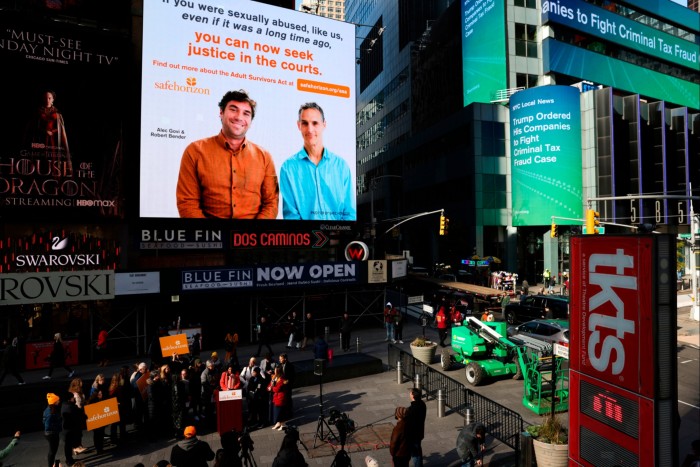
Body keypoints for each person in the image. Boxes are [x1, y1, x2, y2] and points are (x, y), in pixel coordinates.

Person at [176, 89, 279, 219]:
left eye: (246, 113)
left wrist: (252, 236)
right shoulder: (195, 151)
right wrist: (213, 237)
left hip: (251, 237)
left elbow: (271, 203)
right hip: (211, 237)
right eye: (233, 109)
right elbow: (187, 203)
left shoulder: (265, 157)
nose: (239, 117)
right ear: (221, 112)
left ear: (250, 121)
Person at [279, 102, 355, 220]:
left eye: (315, 123)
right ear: (299, 125)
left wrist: (338, 236)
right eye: (305, 123)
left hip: (339, 236)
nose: (310, 129)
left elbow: (349, 213)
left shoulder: (342, 166)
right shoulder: (288, 168)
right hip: (305, 237)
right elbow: (291, 216)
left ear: (324, 125)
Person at [27, 90, 72, 170]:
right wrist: (45, 131)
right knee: (42, 159)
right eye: (45, 98)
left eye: (49, 98)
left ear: (53, 99)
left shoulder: (58, 113)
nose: (47, 100)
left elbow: (61, 129)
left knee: (53, 158)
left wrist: (53, 131)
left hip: (54, 141)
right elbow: (33, 128)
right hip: (41, 140)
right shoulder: (38, 112)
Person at [404, 387, 426, 467]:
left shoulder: (412, 409)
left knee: (415, 454)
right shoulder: (422, 404)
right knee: (417, 451)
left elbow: (408, 422)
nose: (409, 393)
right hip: (419, 432)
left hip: (413, 435)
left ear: (413, 395)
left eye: (410, 392)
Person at [87, 373, 109, 454]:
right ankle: (98, 448)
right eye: (101, 380)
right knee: (97, 433)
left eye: (103, 380)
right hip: (96, 415)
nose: (102, 381)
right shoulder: (95, 389)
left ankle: (100, 447)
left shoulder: (102, 387)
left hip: (100, 412)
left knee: (100, 432)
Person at [43, 393, 62, 467]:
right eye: (57, 400)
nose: (59, 401)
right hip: (51, 434)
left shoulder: (50, 409)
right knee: (52, 451)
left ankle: (52, 464)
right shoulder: (50, 413)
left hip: (52, 433)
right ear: (54, 402)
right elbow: (47, 425)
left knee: (53, 451)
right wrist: (57, 427)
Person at [267, 367, 288, 431]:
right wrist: (269, 387)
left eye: (275, 371)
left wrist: (271, 388)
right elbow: (270, 384)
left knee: (280, 412)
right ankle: (278, 423)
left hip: (280, 397)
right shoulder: (275, 378)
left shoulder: (282, 379)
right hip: (276, 397)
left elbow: (277, 389)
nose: (274, 372)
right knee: (276, 412)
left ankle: (283, 425)